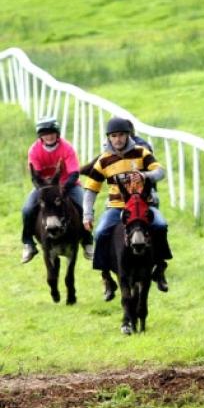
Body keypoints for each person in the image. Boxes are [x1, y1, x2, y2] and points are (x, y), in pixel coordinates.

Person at [83, 117, 172, 293]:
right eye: (114, 136)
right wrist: (87, 214)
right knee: (100, 233)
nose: (118, 139)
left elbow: (160, 171)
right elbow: (91, 189)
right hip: (117, 207)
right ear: (109, 138)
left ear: (128, 135)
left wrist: (146, 176)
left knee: (160, 225)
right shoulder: (103, 161)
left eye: (121, 135)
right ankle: (106, 276)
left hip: (144, 205)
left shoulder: (141, 153)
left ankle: (160, 269)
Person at [21, 116, 93, 263]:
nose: (49, 136)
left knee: (85, 206)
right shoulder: (34, 150)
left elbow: (74, 172)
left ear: (57, 133)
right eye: (45, 133)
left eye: (51, 132)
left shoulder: (67, 147)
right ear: (41, 136)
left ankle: (87, 241)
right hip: (44, 187)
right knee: (27, 209)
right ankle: (28, 243)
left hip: (67, 185)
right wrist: (43, 190)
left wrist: (64, 188)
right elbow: (36, 176)